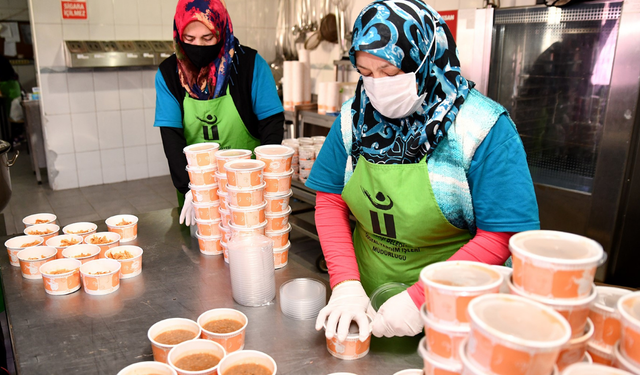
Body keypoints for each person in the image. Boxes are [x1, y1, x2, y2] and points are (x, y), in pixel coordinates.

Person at [306, 0, 540, 342]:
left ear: (427, 60)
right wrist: (345, 284)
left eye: (389, 72)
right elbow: (330, 201)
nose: (377, 86)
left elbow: (501, 236)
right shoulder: (353, 118)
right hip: (367, 303)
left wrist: (422, 297)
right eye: (366, 73)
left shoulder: (481, 128)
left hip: (455, 308)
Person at [154, 0, 284, 225]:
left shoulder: (250, 65)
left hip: (248, 183)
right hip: (197, 188)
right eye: (189, 40)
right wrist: (188, 188)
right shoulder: (169, 74)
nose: (198, 47)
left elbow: (271, 125)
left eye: (207, 38)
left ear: (222, 31)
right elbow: (171, 136)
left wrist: (264, 179)